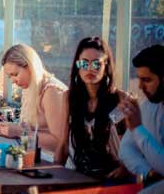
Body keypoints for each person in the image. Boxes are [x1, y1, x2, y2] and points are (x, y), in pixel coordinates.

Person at [0, 44, 68, 155]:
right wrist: (6, 128)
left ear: (30, 67)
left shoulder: (51, 91)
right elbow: (29, 131)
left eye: (15, 74)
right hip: (28, 147)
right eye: (10, 76)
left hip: (45, 155)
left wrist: (19, 132)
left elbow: (59, 143)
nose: (13, 80)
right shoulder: (30, 88)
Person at [55, 37, 130, 182]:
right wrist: (52, 177)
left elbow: (131, 144)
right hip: (79, 175)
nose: (89, 69)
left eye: (96, 64)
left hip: (112, 177)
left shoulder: (120, 99)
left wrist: (125, 169)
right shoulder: (69, 97)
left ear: (106, 66)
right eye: (84, 63)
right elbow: (63, 144)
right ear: (78, 66)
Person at [119, 45, 164, 192]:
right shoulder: (148, 105)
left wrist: (137, 128)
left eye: (147, 80)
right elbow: (126, 148)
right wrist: (148, 171)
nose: (140, 86)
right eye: (139, 79)